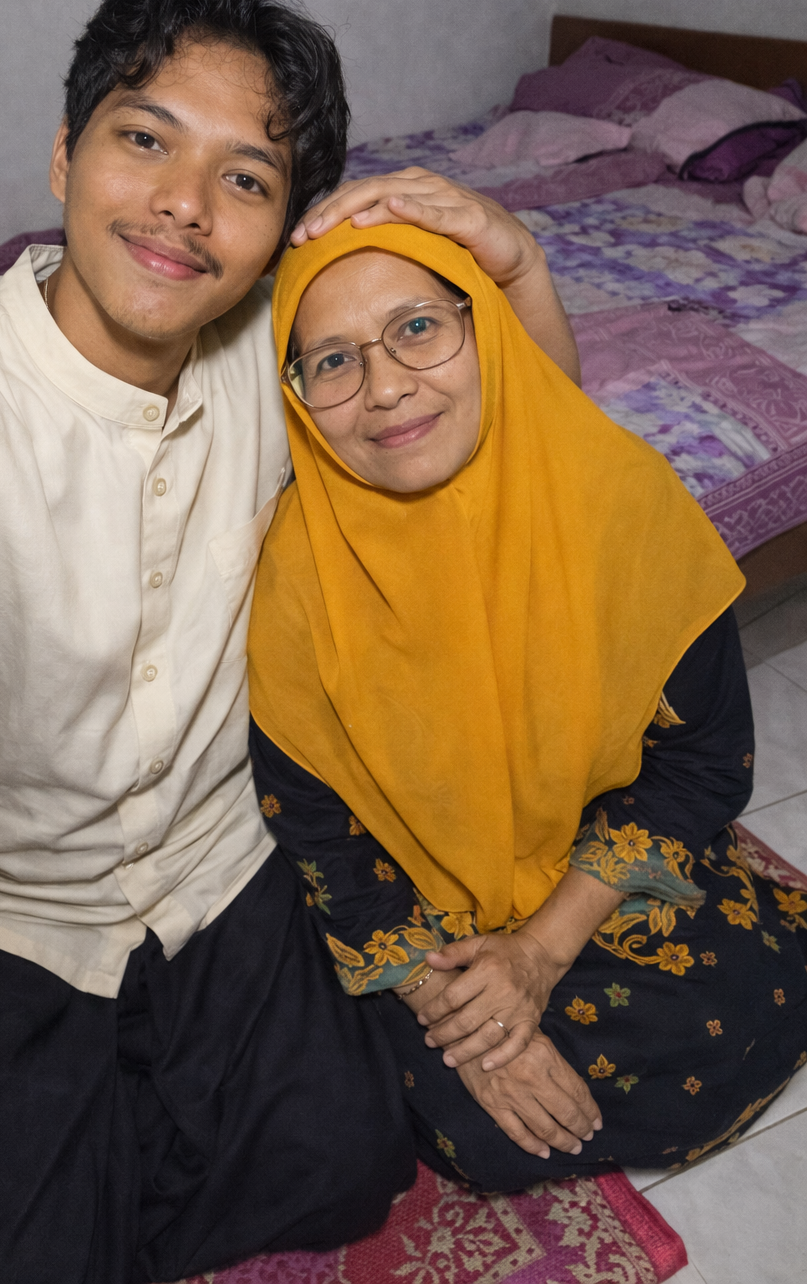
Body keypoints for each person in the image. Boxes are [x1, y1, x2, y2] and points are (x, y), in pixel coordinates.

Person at [0, 0, 582, 1284]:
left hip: (224, 872)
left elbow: (518, 470)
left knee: (351, 1165)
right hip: (1, 911)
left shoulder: (283, 361)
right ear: (61, 154)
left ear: (283, 226)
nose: (181, 208)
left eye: (247, 181)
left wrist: (519, 265)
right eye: (144, 140)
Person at [247, 217, 807, 1195]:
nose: (384, 388)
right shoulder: (291, 579)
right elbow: (319, 837)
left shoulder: (618, 498)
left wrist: (539, 957)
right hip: (421, 901)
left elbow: (704, 762)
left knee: (735, 1002)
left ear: (486, 330)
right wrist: (454, 1006)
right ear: (298, 401)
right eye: (331, 360)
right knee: (463, 1126)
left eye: (418, 328)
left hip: (584, 863)